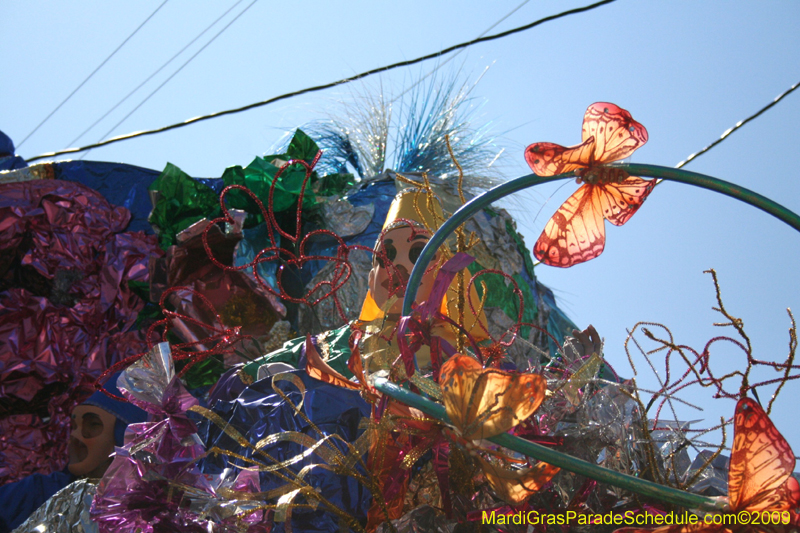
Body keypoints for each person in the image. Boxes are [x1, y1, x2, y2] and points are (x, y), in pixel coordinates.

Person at [0, 373, 147, 533]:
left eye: (93, 425)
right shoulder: (38, 493)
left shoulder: (146, 514)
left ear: (124, 439)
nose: (76, 436)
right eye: (75, 425)